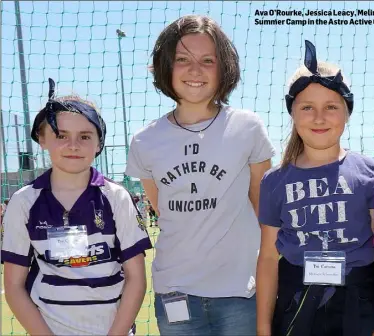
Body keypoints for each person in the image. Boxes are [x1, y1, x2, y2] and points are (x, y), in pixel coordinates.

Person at [125, 15, 275, 335]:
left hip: (241, 293)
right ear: (165, 66)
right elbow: (163, 209)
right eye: (182, 60)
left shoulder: (247, 127)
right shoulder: (144, 140)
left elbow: (265, 210)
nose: (195, 70)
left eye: (208, 60)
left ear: (225, 69)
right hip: (175, 293)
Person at [1, 78, 152, 335]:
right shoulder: (24, 202)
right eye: (61, 135)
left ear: (98, 143)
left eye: (84, 136)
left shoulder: (117, 197)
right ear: (42, 138)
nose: (73, 145)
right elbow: (14, 287)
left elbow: (136, 280)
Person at [256, 40, 374, 336]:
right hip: (295, 306)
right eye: (307, 107)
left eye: (331, 107)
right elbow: (266, 259)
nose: (319, 117)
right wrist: (263, 327)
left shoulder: (369, 172)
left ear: (347, 113)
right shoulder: (274, 182)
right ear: (292, 113)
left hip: (359, 304)